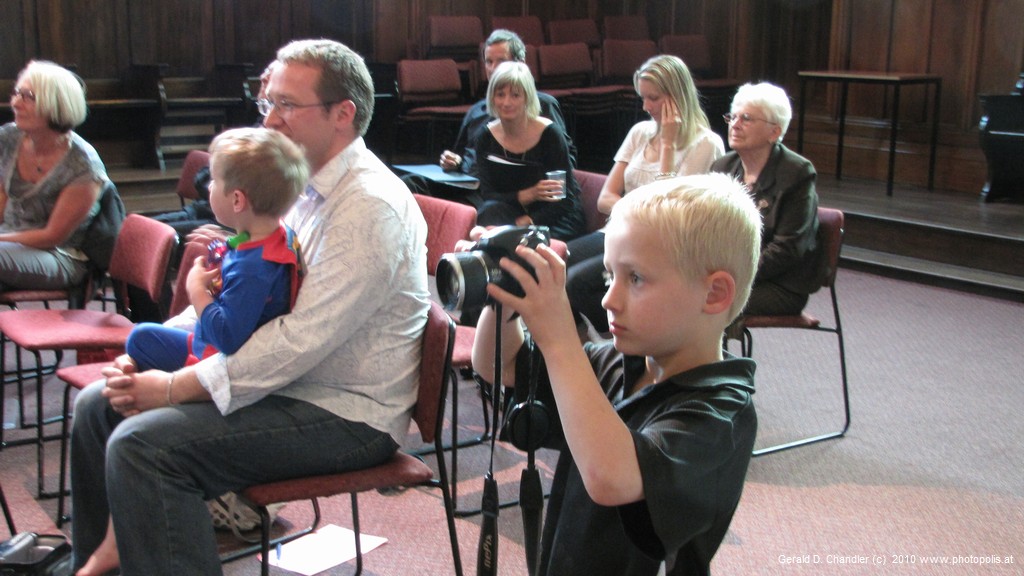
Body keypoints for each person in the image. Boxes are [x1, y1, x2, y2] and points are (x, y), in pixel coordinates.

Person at [70, 39, 430, 576]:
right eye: (267, 103)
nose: (270, 118)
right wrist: (152, 357)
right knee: (98, 405)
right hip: (289, 385)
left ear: (343, 114)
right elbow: (227, 293)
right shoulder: (295, 184)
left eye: (286, 104)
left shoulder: (369, 208)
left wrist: (172, 387)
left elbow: (297, 342)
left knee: (145, 446)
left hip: (344, 411)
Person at [471, 172, 761, 575]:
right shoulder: (613, 364)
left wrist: (558, 340)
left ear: (713, 294)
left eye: (635, 278)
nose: (608, 297)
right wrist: (503, 295)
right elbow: (498, 365)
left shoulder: (720, 412)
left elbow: (611, 478)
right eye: (610, 276)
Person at [77, 126, 309, 576]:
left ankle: (115, 542)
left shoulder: (256, 265)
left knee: (132, 423)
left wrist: (195, 292)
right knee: (141, 339)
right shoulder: (259, 238)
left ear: (238, 199)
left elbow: (227, 337)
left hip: (221, 362)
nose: (208, 190)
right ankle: (114, 540)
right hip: (205, 346)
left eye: (215, 183)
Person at [565, 54, 724, 335]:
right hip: (619, 231)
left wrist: (668, 147)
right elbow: (605, 198)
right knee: (557, 265)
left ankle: (620, 343)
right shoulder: (640, 132)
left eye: (654, 98)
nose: (645, 107)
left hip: (658, 243)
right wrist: (641, 210)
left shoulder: (706, 144)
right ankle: (581, 349)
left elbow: (669, 210)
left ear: (678, 97)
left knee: (577, 283)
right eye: (643, 97)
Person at [404, 28, 572, 202]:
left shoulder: (543, 104)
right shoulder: (477, 110)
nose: (492, 68)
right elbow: (462, 155)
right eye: (488, 61)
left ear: (520, 63)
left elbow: (565, 160)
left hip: (499, 191)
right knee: (409, 184)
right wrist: (454, 161)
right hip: (466, 183)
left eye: (500, 61)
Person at [711, 82, 820, 317]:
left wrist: (733, 275)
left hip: (779, 285)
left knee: (705, 304)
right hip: (729, 277)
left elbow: (787, 249)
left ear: (774, 131)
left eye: (747, 119)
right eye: (733, 117)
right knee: (675, 294)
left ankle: (713, 355)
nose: (735, 125)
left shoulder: (797, 173)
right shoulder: (722, 166)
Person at [0, 60, 110, 293]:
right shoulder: (9, 138)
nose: (15, 103)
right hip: (8, 245)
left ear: (56, 105)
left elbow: (51, 236)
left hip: (58, 256)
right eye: (17, 93)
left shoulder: (83, 165)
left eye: (28, 96)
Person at [472, 60, 584, 241]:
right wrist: (526, 195)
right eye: (500, 95)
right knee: (488, 211)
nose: (506, 102)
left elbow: (564, 201)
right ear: (492, 98)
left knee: (513, 239)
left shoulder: (550, 134)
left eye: (515, 95)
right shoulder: (485, 137)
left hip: (554, 217)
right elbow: (488, 194)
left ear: (527, 98)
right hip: (513, 208)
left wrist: (526, 222)